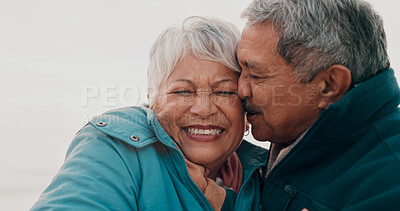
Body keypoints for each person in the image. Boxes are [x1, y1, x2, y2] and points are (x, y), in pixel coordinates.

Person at [31, 16, 267, 211]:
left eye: (225, 92)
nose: (204, 109)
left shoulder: (268, 176)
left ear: (245, 107)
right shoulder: (115, 148)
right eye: (183, 91)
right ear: (153, 104)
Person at [237, 0, 400, 210]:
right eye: (239, 69)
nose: (241, 89)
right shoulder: (289, 137)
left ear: (329, 86)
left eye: (257, 75)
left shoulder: (389, 182)